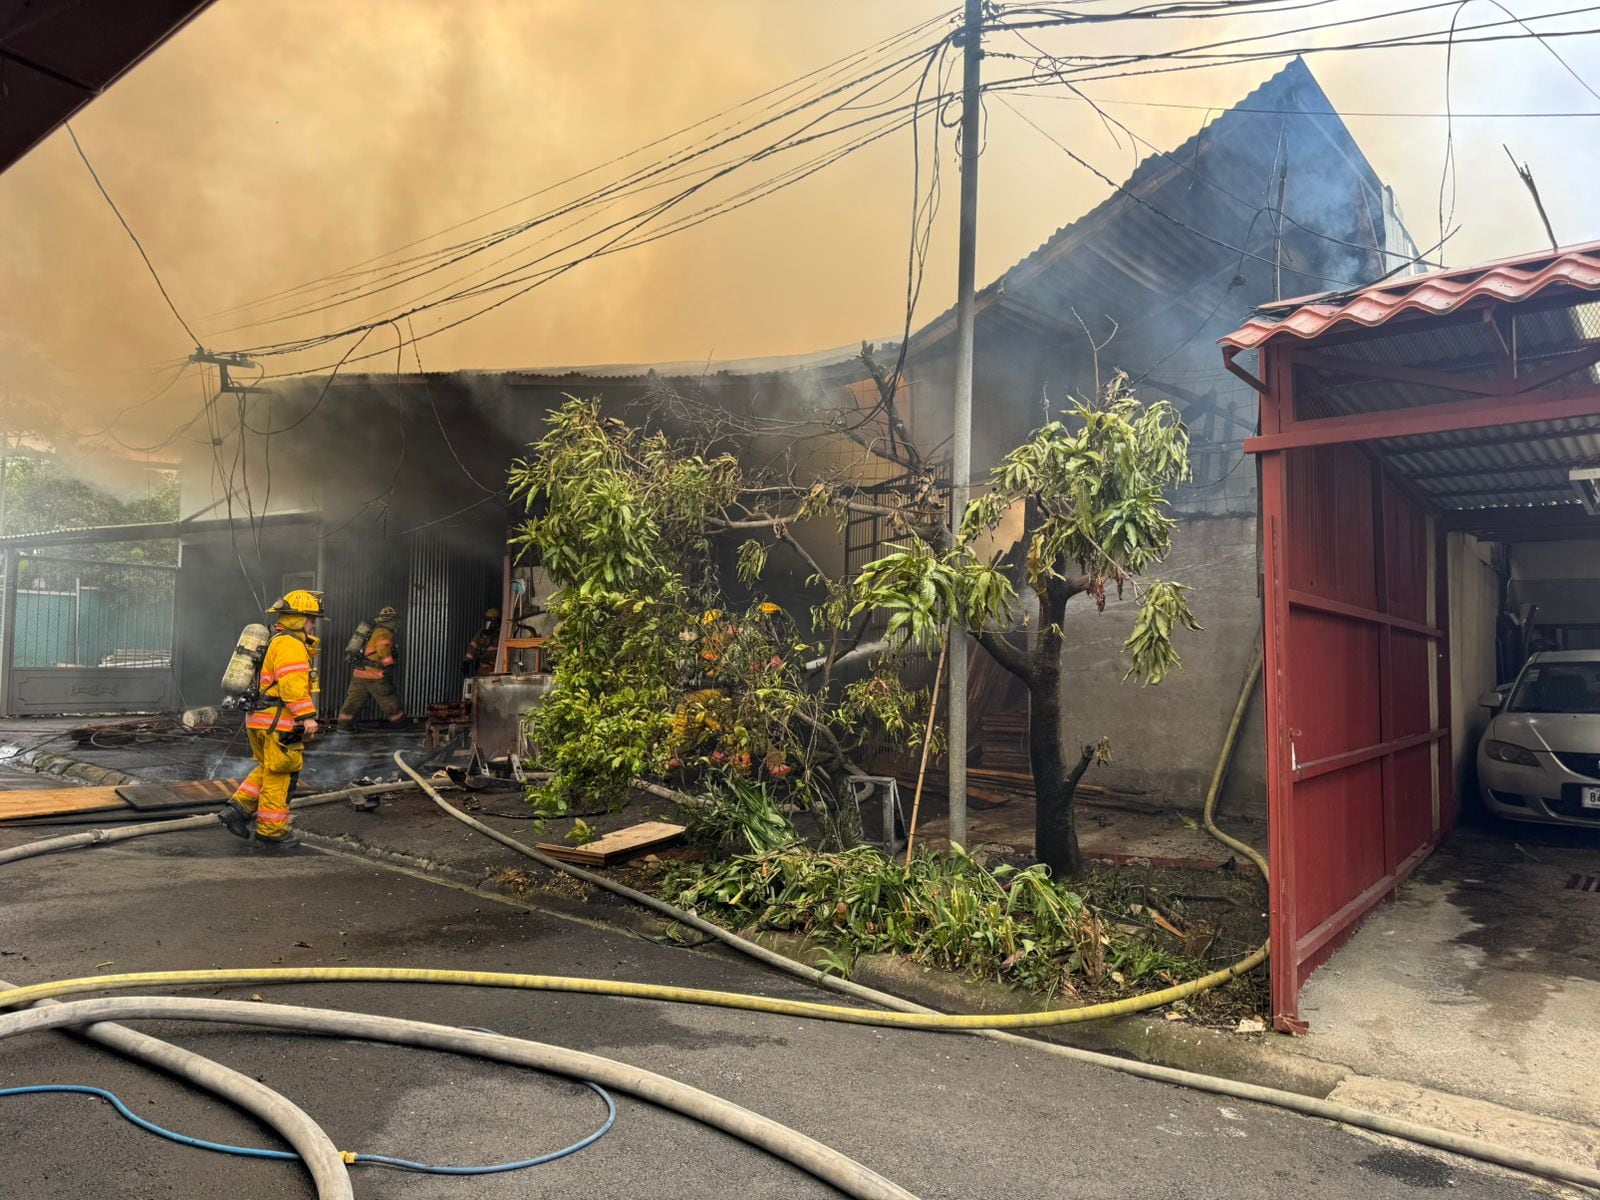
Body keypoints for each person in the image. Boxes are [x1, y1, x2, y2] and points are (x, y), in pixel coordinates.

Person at [218, 590, 322, 851]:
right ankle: (271, 832)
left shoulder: (277, 640)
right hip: (279, 722)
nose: (313, 624)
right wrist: (306, 717)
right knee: (281, 774)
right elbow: (292, 686)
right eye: (311, 619)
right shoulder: (290, 644)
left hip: (260, 720)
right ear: (297, 619)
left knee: (268, 767)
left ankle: (237, 809)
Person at [337, 605, 405, 729]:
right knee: (388, 698)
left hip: (360, 674)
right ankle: (400, 725)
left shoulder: (372, 631)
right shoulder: (384, 632)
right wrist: (388, 665)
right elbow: (383, 650)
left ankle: (343, 726)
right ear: (391, 621)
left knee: (353, 701)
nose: (396, 623)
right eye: (395, 620)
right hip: (374, 675)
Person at [462, 607, 501, 676]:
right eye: (487, 620)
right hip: (483, 669)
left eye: (490, 620)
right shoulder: (481, 633)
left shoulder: (502, 634)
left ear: (496, 621)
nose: (488, 623)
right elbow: (473, 647)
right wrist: (466, 662)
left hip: (497, 669)